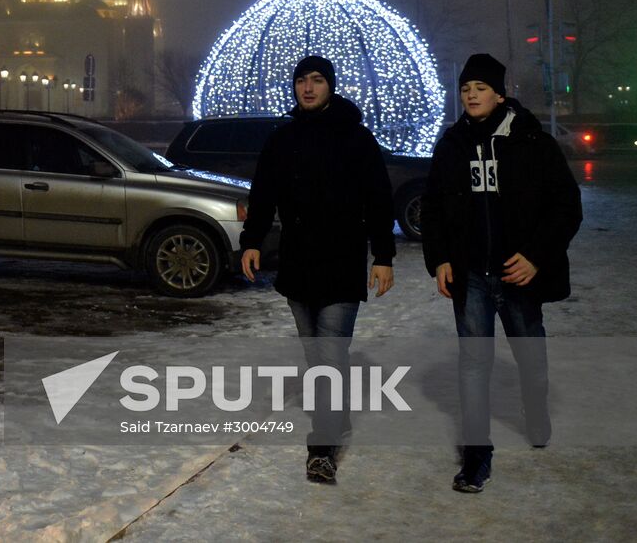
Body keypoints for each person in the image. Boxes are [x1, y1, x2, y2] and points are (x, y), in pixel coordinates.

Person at [421, 53, 581, 493]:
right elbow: (433, 207)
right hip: (471, 275)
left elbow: (566, 207)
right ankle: (477, 456)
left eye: (481, 88)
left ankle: (535, 408)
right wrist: (440, 258)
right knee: (474, 363)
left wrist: (535, 256)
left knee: (531, 357)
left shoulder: (532, 142)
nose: (471, 95)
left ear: (500, 94)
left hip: (518, 276)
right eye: (465, 89)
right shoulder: (451, 145)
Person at [240, 55, 396, 484]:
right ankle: (336, 417)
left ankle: (321, 449)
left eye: (317, 80)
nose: (307, 88)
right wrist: (252, 241)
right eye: (301, 81)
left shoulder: (355, 137)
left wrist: (383, 256)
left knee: (329, 355)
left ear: (331, 86)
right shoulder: (283, 138)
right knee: (316, 355)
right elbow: (263, 194)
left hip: (342, 261)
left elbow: (378, 198)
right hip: (298, 262)